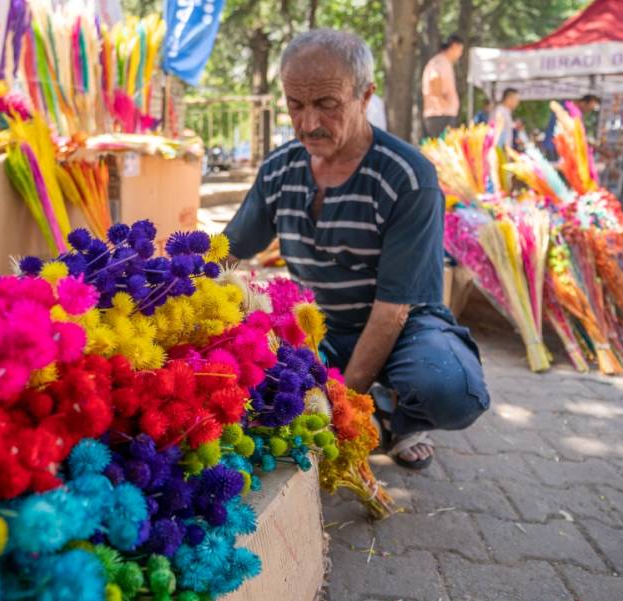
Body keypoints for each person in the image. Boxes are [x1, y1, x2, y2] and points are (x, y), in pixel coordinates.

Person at [223, 29, 489, 470]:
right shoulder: (279, 169)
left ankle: (394, 417)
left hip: (404, 326)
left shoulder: (408, 176)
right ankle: (372, 404)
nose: (308, 123)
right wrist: (164, 281)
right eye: (296, 104)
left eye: (327, 104)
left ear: (366, 96)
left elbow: (393, 310)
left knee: (451, 391)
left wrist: (341, 409)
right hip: (318, 324)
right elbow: (227, 251)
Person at [422, 34, 464, 138]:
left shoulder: (444, 63)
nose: (460, 54)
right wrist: (444, 104)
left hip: (443, 116)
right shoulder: (439, 62)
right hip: (440, 116)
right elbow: (434, 84)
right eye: (460, 50)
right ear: (454, 46)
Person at [543, 94, 601, 160]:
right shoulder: (571, 111)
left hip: (554, 148)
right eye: (589, 108)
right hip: (556, 149)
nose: (588, 111)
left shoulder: (566, 106)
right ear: (583, 102)